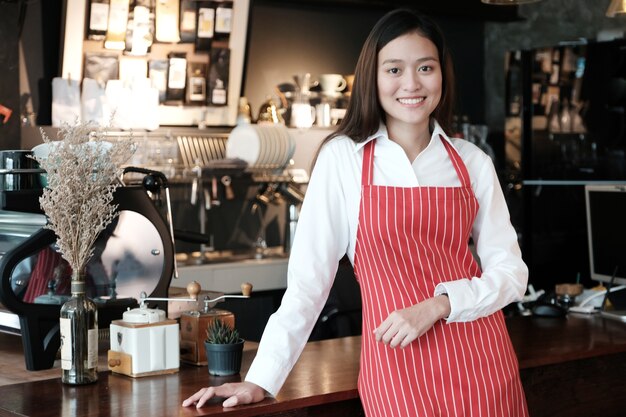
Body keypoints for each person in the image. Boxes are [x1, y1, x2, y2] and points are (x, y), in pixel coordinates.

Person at [183, 8, 529, 416]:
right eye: (395, 69)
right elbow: (309, 284)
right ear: (373, 78)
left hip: (482, 362)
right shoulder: (344, 158)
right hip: (397, 371)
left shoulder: (472, 162)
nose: (412, 84)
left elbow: (511, 274)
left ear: (442, 75)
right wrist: (261, 379)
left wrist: (439, 305)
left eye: (425, 67)